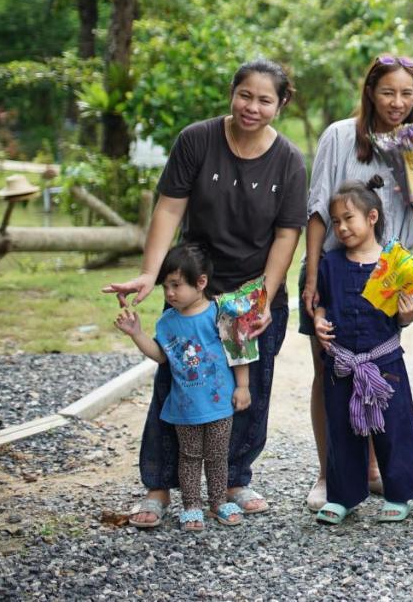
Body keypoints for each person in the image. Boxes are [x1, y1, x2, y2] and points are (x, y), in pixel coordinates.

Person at [104, 59, 305, 528]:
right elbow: (170, 210)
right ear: (232, 93)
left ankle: (232, 480)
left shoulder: (290, 160)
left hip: (250, 295)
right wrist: (152, 274)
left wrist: (263, 298)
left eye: (264, 100)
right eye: (244, 95)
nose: (252, 107)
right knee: (176, 382)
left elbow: (286, 235)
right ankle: (158, 486)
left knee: (246, 390)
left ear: (281, 104)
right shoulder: (197, 139)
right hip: (195, 291)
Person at [300, 54, 413, 512]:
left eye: (407, 93)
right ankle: (328, 474)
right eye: (388, 91)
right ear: (370, 91)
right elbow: (316, 210)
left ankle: (376, 473)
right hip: (333, 270)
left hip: (388, 272)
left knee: (381, 370)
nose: (397, 102)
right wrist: (312, 280)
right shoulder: (339, 136)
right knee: (331, 371)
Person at [311, 177, 413, 525]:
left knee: (394, 427)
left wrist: (408, 314)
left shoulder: (396, 262)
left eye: (349, 218)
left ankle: (399, 493)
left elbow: (408, 314)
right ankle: (343, 495)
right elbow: (322, 305)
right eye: (336, 221)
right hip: (342, 364)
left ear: (372, 217)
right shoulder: (330, 263)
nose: (342, 227)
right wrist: (318, 321)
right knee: (342, 430)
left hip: (385, 361)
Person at [115, 244, 251, 531]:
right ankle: (191, 506)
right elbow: (161, 356)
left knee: (217, 456)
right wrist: (136, 334)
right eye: (166, 286)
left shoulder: (222, 314)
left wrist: (243, 386)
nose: (169, 294)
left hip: (218, 405)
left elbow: (238, 350)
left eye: (176, 285)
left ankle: (218, 502)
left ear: (200, 283)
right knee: (188, 458)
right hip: (185, 408)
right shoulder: (167, 323)